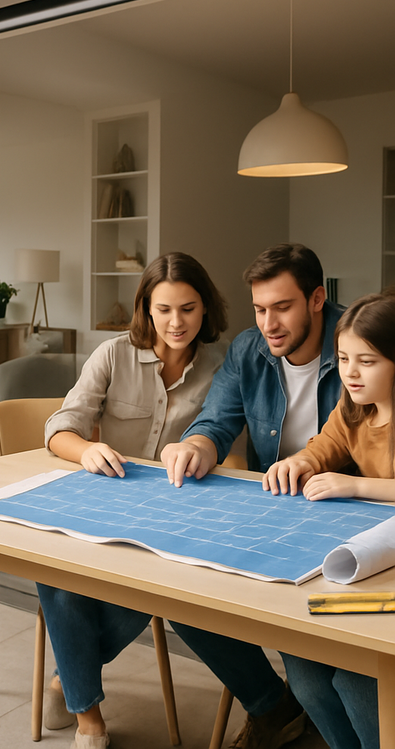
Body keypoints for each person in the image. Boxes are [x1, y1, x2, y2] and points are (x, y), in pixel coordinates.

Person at [38, 251, 228, 749]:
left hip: (178, 512)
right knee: (55, 574)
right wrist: (87, 449)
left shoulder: (223, 365)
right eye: (163, 309)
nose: (175, 322)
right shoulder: (112, 354)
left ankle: (66, 682)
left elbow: (227, 440)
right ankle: (89, 717)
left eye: (187, 308)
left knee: (150, 588)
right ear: (146, 308)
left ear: (205, 308)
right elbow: (60, 429)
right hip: (105, 500)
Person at [161, 243, 345, 749]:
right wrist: (196, 445)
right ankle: (272, 707)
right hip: (276, 508)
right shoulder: (248, 349)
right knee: (184, 596)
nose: (269, 324)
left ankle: (315, 711)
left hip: (344, 511)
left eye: (282, 307)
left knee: (317, 678)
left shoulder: (357, 340)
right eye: (260, 309)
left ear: (316, 299)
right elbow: (216, 421)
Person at [260, 292, 395, 749]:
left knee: (357, 682)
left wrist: (355, 485)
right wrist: (300, 462)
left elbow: (354, 482)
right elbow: (326, 445)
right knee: (303, 665)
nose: (351, 372)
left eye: (367, 361)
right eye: (343, 359)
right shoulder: (354, 405)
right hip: (365, 559)